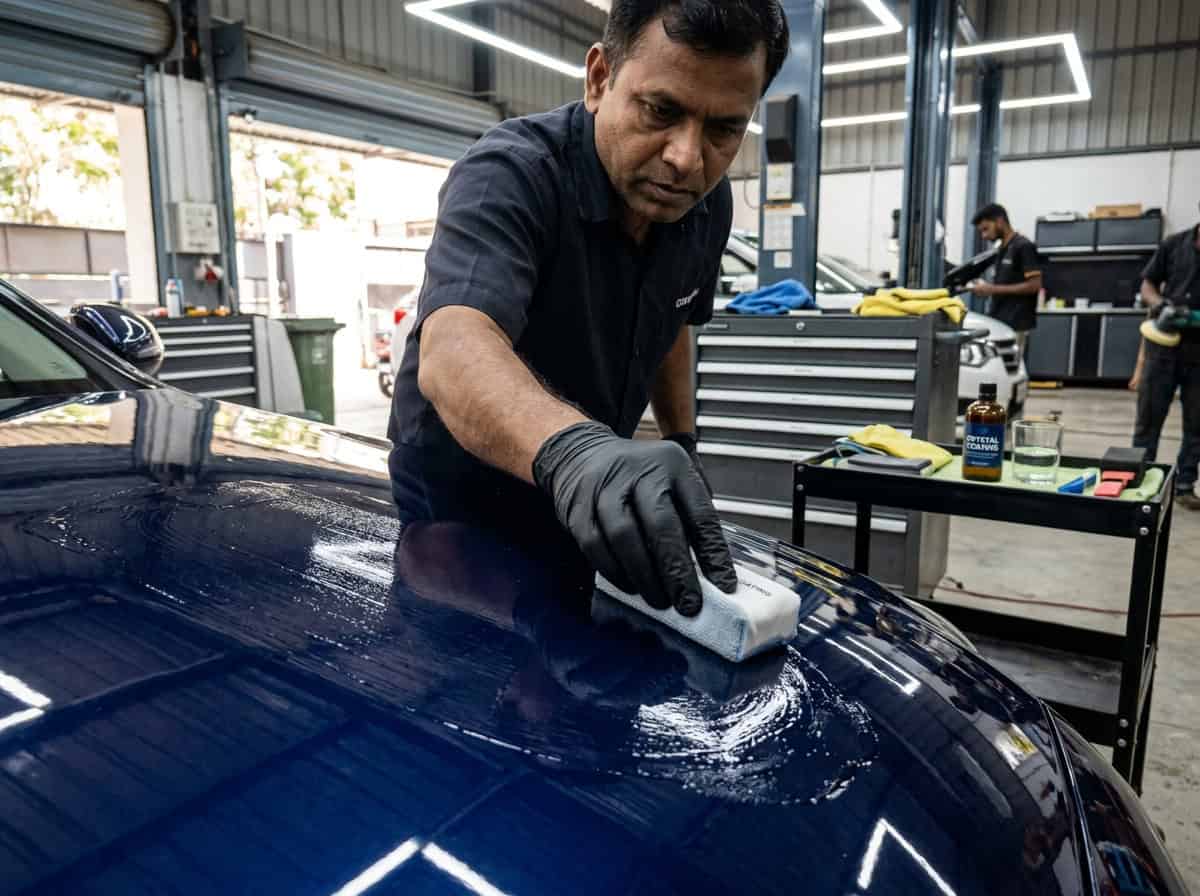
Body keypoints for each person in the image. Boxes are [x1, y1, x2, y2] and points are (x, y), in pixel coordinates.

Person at [387, 0, 790, 617]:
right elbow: (453, 347)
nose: (687, 157)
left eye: (723, 130)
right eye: (662, 111)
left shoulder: (704, 203)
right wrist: (575, 453)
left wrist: (682, 441)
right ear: (600, 78)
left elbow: (673, 321)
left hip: (591, 501)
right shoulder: (510, 174)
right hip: (460, 516)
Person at [1133, 218, 1200, 510]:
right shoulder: (1174, 244)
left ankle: (1185, 485)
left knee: (1197, 421)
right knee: (1148, 416)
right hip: (1163, 344)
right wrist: (1160, 304)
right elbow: (1148, 283)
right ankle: (1140, 477)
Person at [969, 204, 1043, 357]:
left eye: (986, 229)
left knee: (1010, 370)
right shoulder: (1003, 249)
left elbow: (1035, 285)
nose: (983, 236)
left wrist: (991, 289)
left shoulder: (1023, 247)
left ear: (1000, 221)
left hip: (1016, 324)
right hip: (1000, 322)